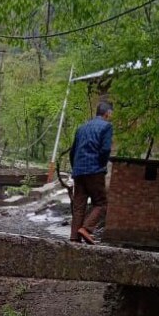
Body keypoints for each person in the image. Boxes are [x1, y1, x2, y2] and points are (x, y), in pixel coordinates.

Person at [69, 101, 114, 244]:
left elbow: (72, 152)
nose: (111, 116)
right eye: (111, 114)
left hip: (78, 171)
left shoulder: (81, 128)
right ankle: (87, 229)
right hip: (94, 170)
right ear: (107, 113)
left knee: (79, 206)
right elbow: (105, 149)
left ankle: (74, 238)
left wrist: (76, 167)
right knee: (101, 203)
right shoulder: (107, 126)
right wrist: (101, 165)